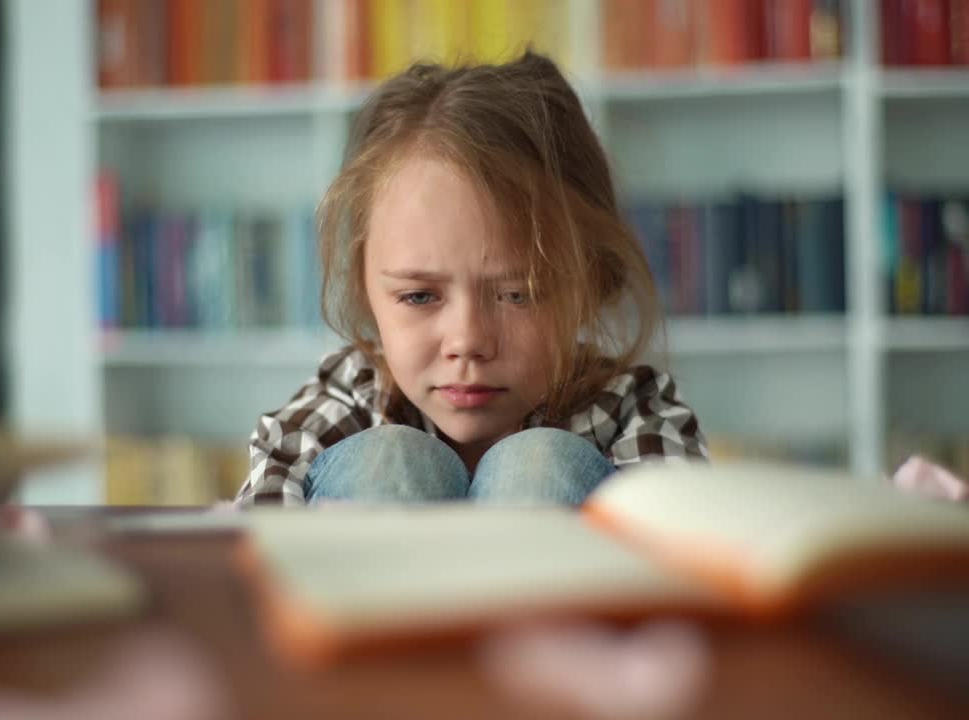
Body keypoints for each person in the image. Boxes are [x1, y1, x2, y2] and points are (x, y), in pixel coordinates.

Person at [237, 51, 706, 507]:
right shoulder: (343, 399)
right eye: (419, 296)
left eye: (519, 294)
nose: (467, 341)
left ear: (590, 284)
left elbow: (690, 562)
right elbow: (253, 554)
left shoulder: (632, 408)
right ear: (366, 290)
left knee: (540, 463)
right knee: (389, 459)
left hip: (576, 583)